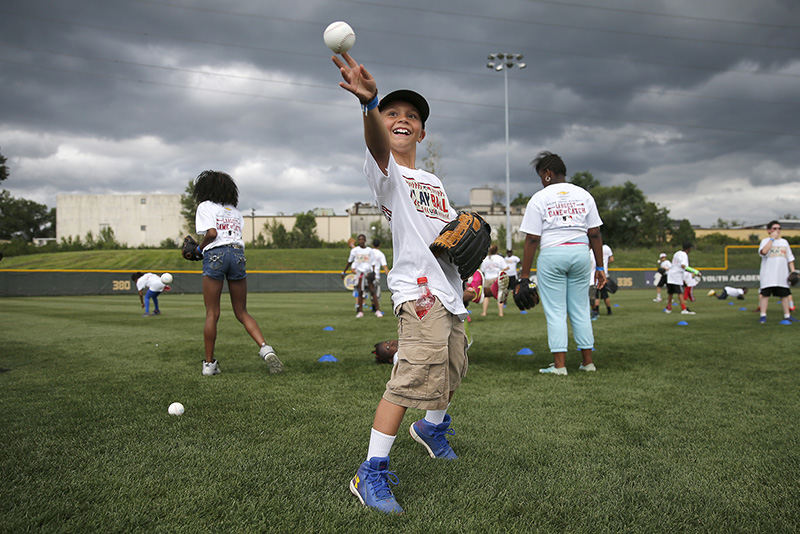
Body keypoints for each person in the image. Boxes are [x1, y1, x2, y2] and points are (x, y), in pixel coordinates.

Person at [333, 51, 469, 514]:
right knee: (410, 380)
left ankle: (431, 428)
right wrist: (368, 105)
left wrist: (466, 248)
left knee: (451, 369)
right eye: (394, 113)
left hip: (448, 290)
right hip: (419, 292)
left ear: (424, 131)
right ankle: (369, 471)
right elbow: (375, 142)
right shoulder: (385, 169)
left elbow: (448, 234)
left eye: (412, 116)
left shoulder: (431, 178)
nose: (403, 119)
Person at [516, 151, 605, 376]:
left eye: (540, 175)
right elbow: (594, 233)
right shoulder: (584, 194)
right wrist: (600, 267)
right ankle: (588, 362)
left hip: (553, 254)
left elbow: (533, 238)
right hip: (580, 252)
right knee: (581, 309)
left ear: (547, 173)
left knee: (556, 312)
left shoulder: (540, 197)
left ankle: (560, 365)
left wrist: (524, 276)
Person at [190, 170, 283, 376]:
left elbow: (212, 234)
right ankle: (265, 349)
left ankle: (209, 364)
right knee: (241, 312)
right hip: (238, 254)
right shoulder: (234, 211)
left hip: (216, 255)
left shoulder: (205, 206)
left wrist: (198, 249)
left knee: (212, 313)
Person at [757, 220, 796, 324]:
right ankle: (763, 316)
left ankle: (787, 316)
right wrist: (772, 239)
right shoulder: (765, 241)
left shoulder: (784, 242)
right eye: (774, 228)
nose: (777, 231)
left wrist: (793, 272)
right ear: (769, 230)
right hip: (768, 275)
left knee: (784, 295)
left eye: (779, 228)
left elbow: (790, 258)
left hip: (782, 275)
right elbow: (764, 252)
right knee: (765, 295)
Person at [342, 234, 382, 317]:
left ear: (365, 240)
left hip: (368, 273)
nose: (361, 241)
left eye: (362, 239)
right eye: (359, 239)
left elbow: (373, 263)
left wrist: (374, 273)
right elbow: (349, 262)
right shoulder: (354, 251)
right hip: (359, 273)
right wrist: (344, 272)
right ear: (357, 241)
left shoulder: (369, 250)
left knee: (372, 291)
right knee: (360, 292)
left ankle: (378, 310)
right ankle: (360, 311)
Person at [665, 242, 699, 315]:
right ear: (688, 248)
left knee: (670, 293)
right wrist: (695, 271)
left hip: (670, 275)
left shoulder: (677, 253)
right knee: (680, 293)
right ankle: (684, 309)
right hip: (676, 276)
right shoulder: (684, 255)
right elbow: (683, 266)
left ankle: (668, 308)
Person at [479, 244, 510, 317]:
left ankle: (484, 312)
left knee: (486, 296)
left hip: (487, 278)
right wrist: (501, 270)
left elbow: (482, 269)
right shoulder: (499, 258)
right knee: (500, 295)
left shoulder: (485, 259)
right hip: (496, 278)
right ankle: (501, 313)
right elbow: (506, 267)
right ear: (496, 250)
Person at [590, 244, 614, 318]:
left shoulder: (592, 250)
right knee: (604, 294)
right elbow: (612, 259)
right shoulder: (607, 248)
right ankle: (609, 310)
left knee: (596, 295)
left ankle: (596, 311)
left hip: (594, 275)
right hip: (604, 273)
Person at [370, 238, 389, 311]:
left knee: (370, 291)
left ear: (372, 244)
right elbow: (384, 266)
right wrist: (389, 276)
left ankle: (372, 306)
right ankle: (376, 308)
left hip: (367, 275)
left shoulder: (369, 252)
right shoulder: (381, 254)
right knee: (376, 292)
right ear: (379, 245)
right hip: (376, 275)